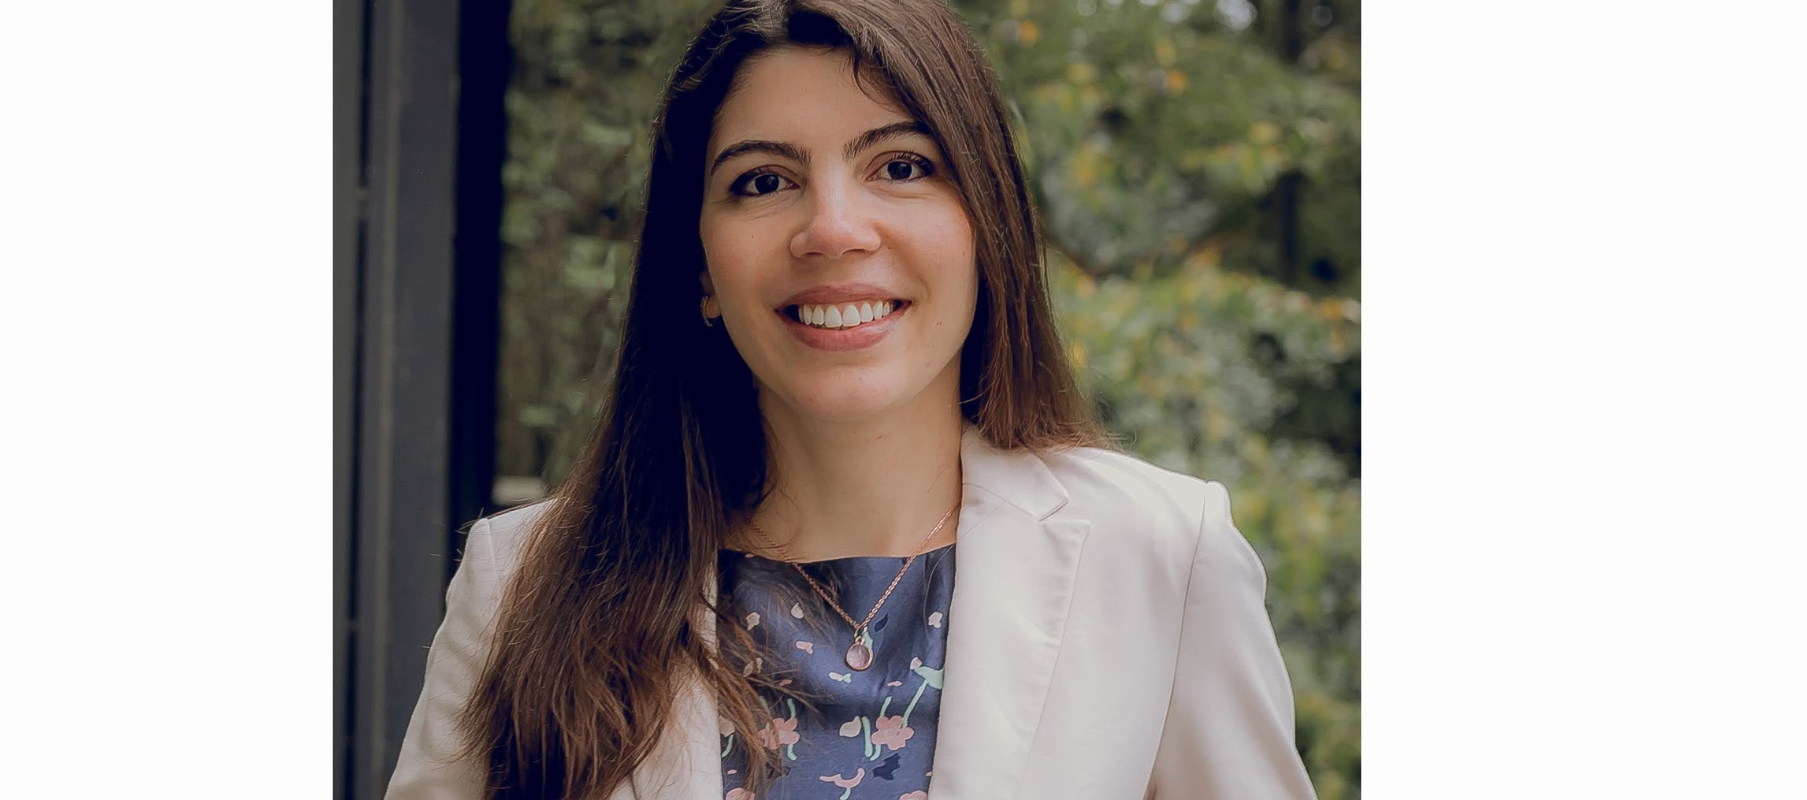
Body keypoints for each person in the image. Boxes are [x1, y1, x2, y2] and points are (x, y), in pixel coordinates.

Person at [386, 0, 1316, 798]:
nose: (832, 228)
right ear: (700, 269)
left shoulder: (1161, 554)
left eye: (900, 166)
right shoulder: (522, 583)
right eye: (763, 182)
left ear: (985, 227)